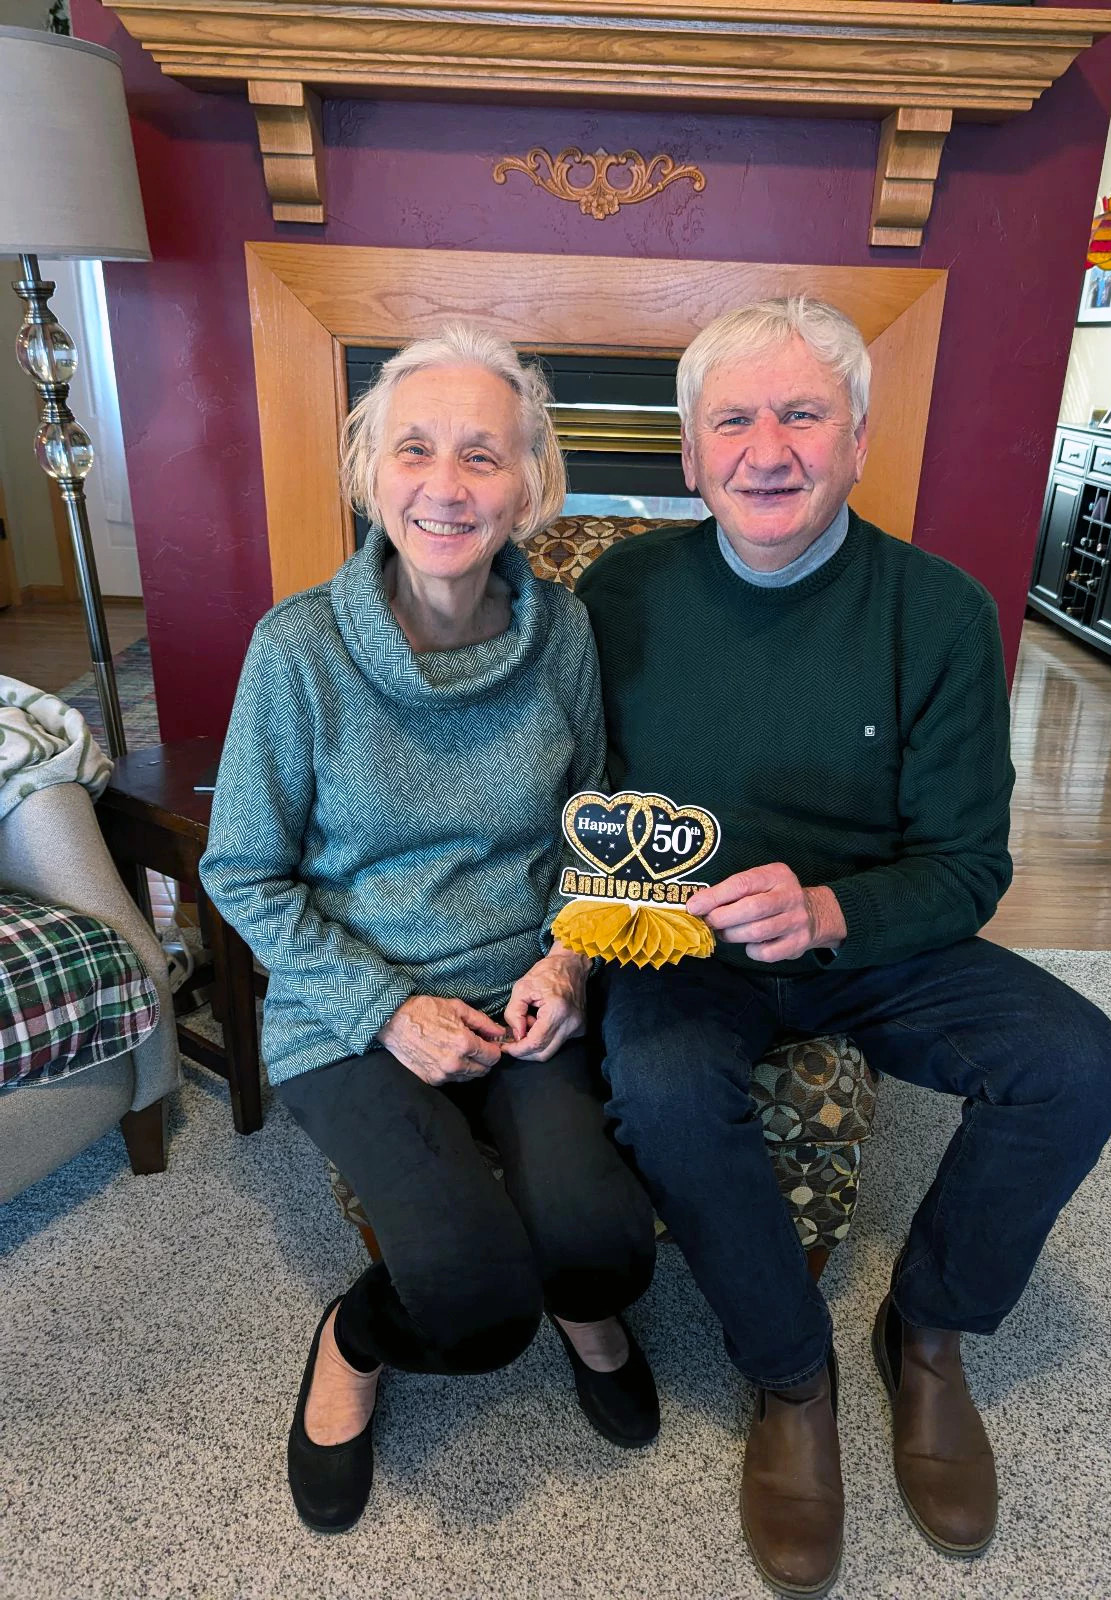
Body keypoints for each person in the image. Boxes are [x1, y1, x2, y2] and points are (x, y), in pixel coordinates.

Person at [575, 297, 1111, 1596]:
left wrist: (832, 912)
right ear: (691, 454)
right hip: (689, 948)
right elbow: (573, 799)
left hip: (870, 933)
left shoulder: (937, 611)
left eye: (801, 413)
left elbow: (970, 864)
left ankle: (929, 1332)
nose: (768, 448)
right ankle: (790, 1373)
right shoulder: (619, 596)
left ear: (859, 437)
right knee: (658, 1083)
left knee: (1080, 1067)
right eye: (734, 420)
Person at [199, 323, 658, 1536]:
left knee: (608, 1247)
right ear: (369, 468)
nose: (445, 486)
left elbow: (590, 824)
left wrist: (569, 954)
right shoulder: (296, 650)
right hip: (346, 1007)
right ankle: (353, 1341)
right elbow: (240, 872)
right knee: (471, 1301)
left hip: (519, 989)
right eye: (413, 448)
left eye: (480, 455)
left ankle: (582, 1300)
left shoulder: (560, 633)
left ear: (529, 485)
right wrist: (382, 1010)